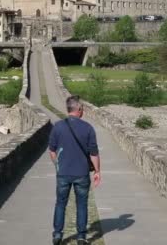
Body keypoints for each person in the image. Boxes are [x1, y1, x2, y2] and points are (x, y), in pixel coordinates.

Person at [49, 96, 101, 245]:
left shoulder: (57, 126)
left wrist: (58, 165)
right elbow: (94, 153)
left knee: (60, 203)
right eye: (82, 108)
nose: (83, 110)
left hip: (63, 173)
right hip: (82, 173)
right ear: (78, 109)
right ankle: (81, 236)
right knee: (82, 204)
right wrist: (97, 172)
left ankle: (58, 235)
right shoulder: (88, 128)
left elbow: (52, 150)